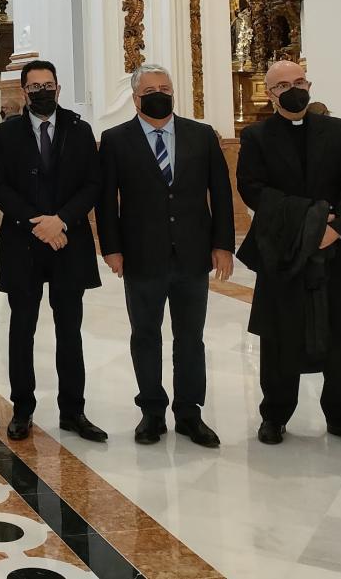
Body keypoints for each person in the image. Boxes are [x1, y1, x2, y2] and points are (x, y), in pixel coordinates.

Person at [236, 59, 341, 449]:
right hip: (281, 249)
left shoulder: (337, 130)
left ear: (309, 84)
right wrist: (309, 224)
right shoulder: (257, 137)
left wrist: (335, 229)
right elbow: (252, 188)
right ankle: (275, 415)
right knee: (280, 333)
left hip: (336, 248)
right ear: (271, 93)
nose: (293, 88)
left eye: (299, 81)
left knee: (338, 333)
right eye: (283, 84)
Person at [97, 64, 234, 448]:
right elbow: (107, 201)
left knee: (190, 337)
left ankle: (190, 413)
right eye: (151, 89)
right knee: (145, 335)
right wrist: (111, 248)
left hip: (192, 254)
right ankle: (152, 412)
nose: (160, 94)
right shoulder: (115, 139)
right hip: (142, 255)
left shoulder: (202, 135)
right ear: (136, 98)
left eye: (165, 88)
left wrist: (223, 245)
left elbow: (221, 193)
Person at [0, 59, 103, 442]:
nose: (43, 91)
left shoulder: (79, 129)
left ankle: (74, 410)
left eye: (49, 84)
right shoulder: (5, 135)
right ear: (24, 91)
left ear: (58, 87)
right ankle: (23, 409)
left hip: (68, 242)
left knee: (70, 330)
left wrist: (62, 220)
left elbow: (92, 184)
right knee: (22, 330)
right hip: (24, 242)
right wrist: (38, 222)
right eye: (35, 86)